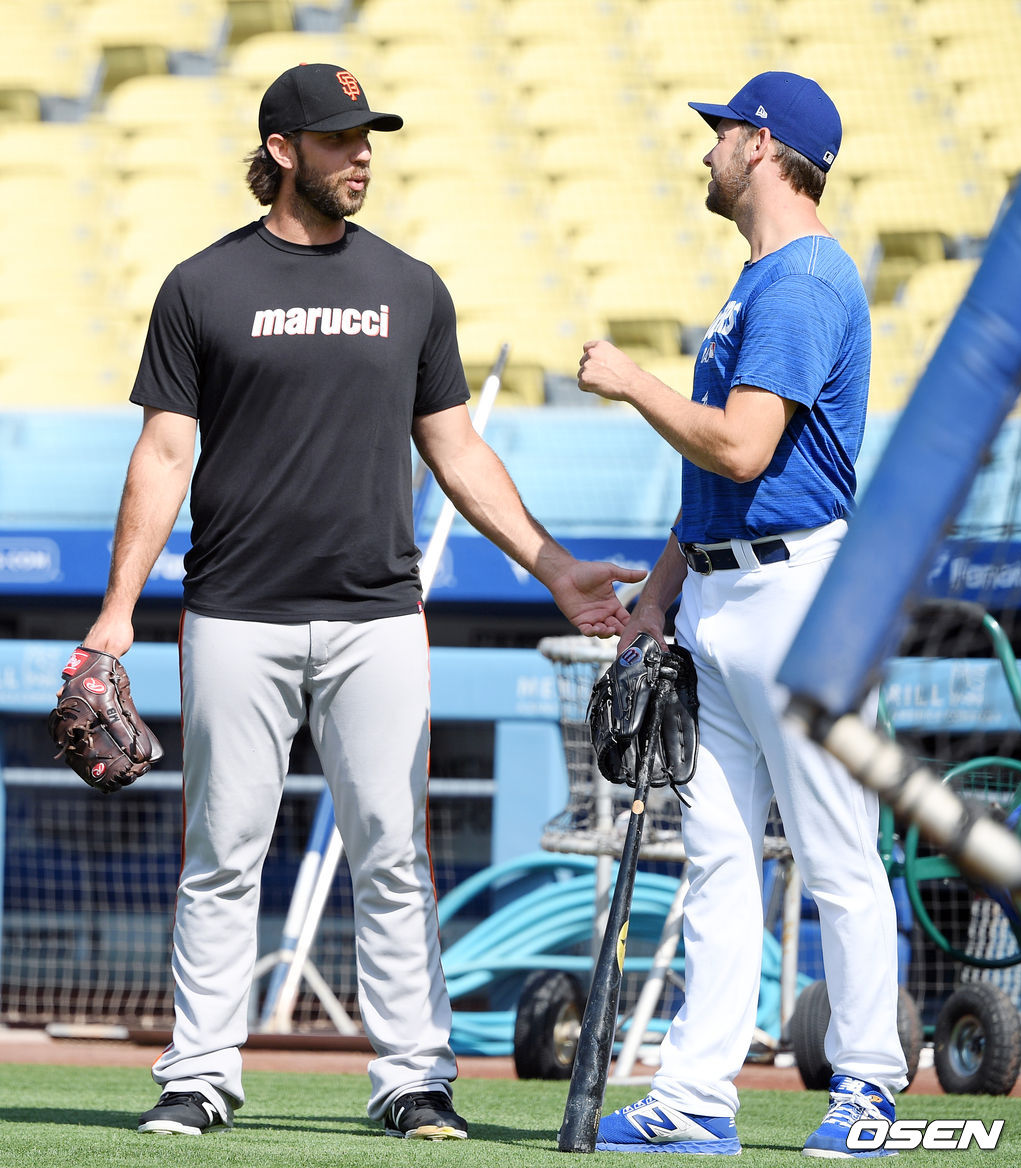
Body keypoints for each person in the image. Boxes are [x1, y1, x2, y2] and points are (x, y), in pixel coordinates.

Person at [81, 63, 645, 1142]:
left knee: (393, 848)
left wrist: (555, 566)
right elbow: (161, 454)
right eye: (340, 139)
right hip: (235, 611)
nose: (362, 155)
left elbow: (456, 448)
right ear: (283, 150)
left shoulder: (411, 286)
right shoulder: (200, 286)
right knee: (222, 851)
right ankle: (197, 1075)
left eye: (369, 136)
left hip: (380, 615)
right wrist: (118, 612)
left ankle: (412, 1078)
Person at [577, 72, 908, 1158]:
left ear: (763, 146)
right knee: (719, 854)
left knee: (834, 851)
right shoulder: (759, 275)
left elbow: (743, 446)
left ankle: (867, 1087)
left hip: (799, 591)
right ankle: (695, 1093)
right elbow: (715, 481)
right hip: (724, 583)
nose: (708, 148)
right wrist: (662, 593)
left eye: (723, 131)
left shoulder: (805, 279)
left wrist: (630, 383)